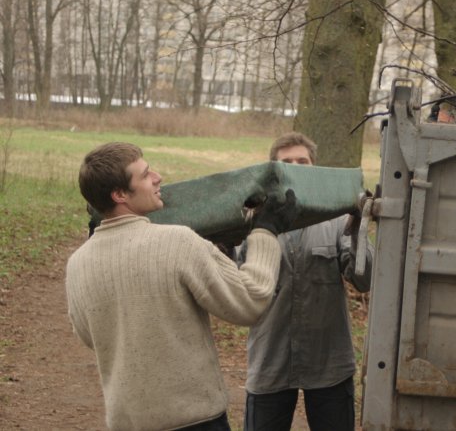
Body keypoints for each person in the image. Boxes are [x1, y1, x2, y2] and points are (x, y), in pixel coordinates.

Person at [65, 142, 298, 431]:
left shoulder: (77, 263)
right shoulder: (177, 242)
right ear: (120, 194)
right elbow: (249, 301)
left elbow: (91, 335)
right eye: (146, 174)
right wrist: (266, 231)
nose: (158, 177)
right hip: (195, 422)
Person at [244, 132, 373, 431]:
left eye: (303, 161)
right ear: (273, 170)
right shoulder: (252, 222)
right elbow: (234, 283)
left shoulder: (338, 219)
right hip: (269, 360)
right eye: (287, 162)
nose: (296, 167)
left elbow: (364, 281)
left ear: (314, 167)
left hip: (329, 361)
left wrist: (359, 227)